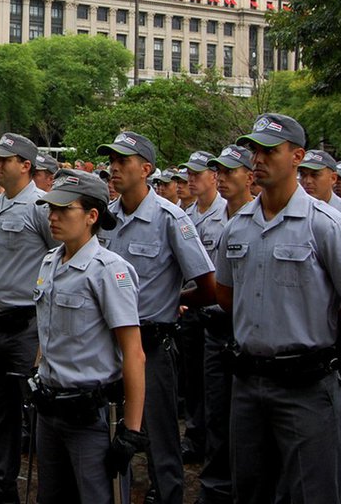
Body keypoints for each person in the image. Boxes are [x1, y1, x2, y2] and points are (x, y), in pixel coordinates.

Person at [215, 114, 341, 504]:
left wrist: (316, 329)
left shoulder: (324, 225)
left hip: (306, 385)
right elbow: (226, 294)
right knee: (250, 491)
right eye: (255, 150)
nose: (258, 159)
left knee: (312, 492)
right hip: (249, 382)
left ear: (297, 156)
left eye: (270, 151)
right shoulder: (237, 226)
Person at [96, 132, 215, 504]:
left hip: (150, 346)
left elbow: (208, 285)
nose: (114, 169)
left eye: (123, 162)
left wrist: (174, 302)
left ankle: (168, 495)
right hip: (107, 346)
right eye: (111, 161)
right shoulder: (105, 217)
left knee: (161, 438)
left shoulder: (170, 218)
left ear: (146, 169)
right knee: (112, 434)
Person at [30, 169, 147, 504]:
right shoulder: (50, 261)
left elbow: (134, 352)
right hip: (50, 409)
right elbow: (47, 329)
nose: (53, 217)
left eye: (64, 210)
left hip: (88, 416)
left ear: (92, 216)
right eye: (51, 209)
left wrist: (131, 431)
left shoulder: (109, 270)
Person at [0, 133, 59, 504]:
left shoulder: (41, 206)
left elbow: (61, 260)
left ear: (26, 165)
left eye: (5, 159)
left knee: (40, 415)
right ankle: (1, 483)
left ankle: (51, 489)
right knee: (1, 413)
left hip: (26, 329)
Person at [196, 145, 254, 504]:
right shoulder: (215, 219)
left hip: (248, 332)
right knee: (217, 415)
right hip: (217, 328)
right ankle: (216, 488)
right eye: (219, 170)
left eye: (232, 171)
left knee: (251, 424)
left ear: (251, 176)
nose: (223, 176)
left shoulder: (256, 220)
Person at [179, 151, 228, 464]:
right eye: (189, 174)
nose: (191, 180)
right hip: (191, 308)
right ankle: (196, 435)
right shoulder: (185, 214)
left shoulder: (229, 213)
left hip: (220, 310)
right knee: (193, 379)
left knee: (218, 386)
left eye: (198, 174)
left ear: (214, 176)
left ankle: (215, 442)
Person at [298, 149, 341, 214]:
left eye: (315, 175)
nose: (307, 181)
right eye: (303, 175)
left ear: (333, 178)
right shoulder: (292, 209)